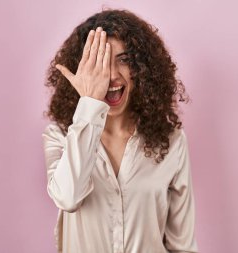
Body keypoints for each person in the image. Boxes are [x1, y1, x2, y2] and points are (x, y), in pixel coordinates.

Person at [42, 8, 199, 253]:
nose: (112, 75)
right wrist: (90, 103)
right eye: (99, 62)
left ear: (142, 69)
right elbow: (68, 198)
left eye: (124, 60)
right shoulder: (60, 136)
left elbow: (183, 246)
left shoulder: (172, 142)